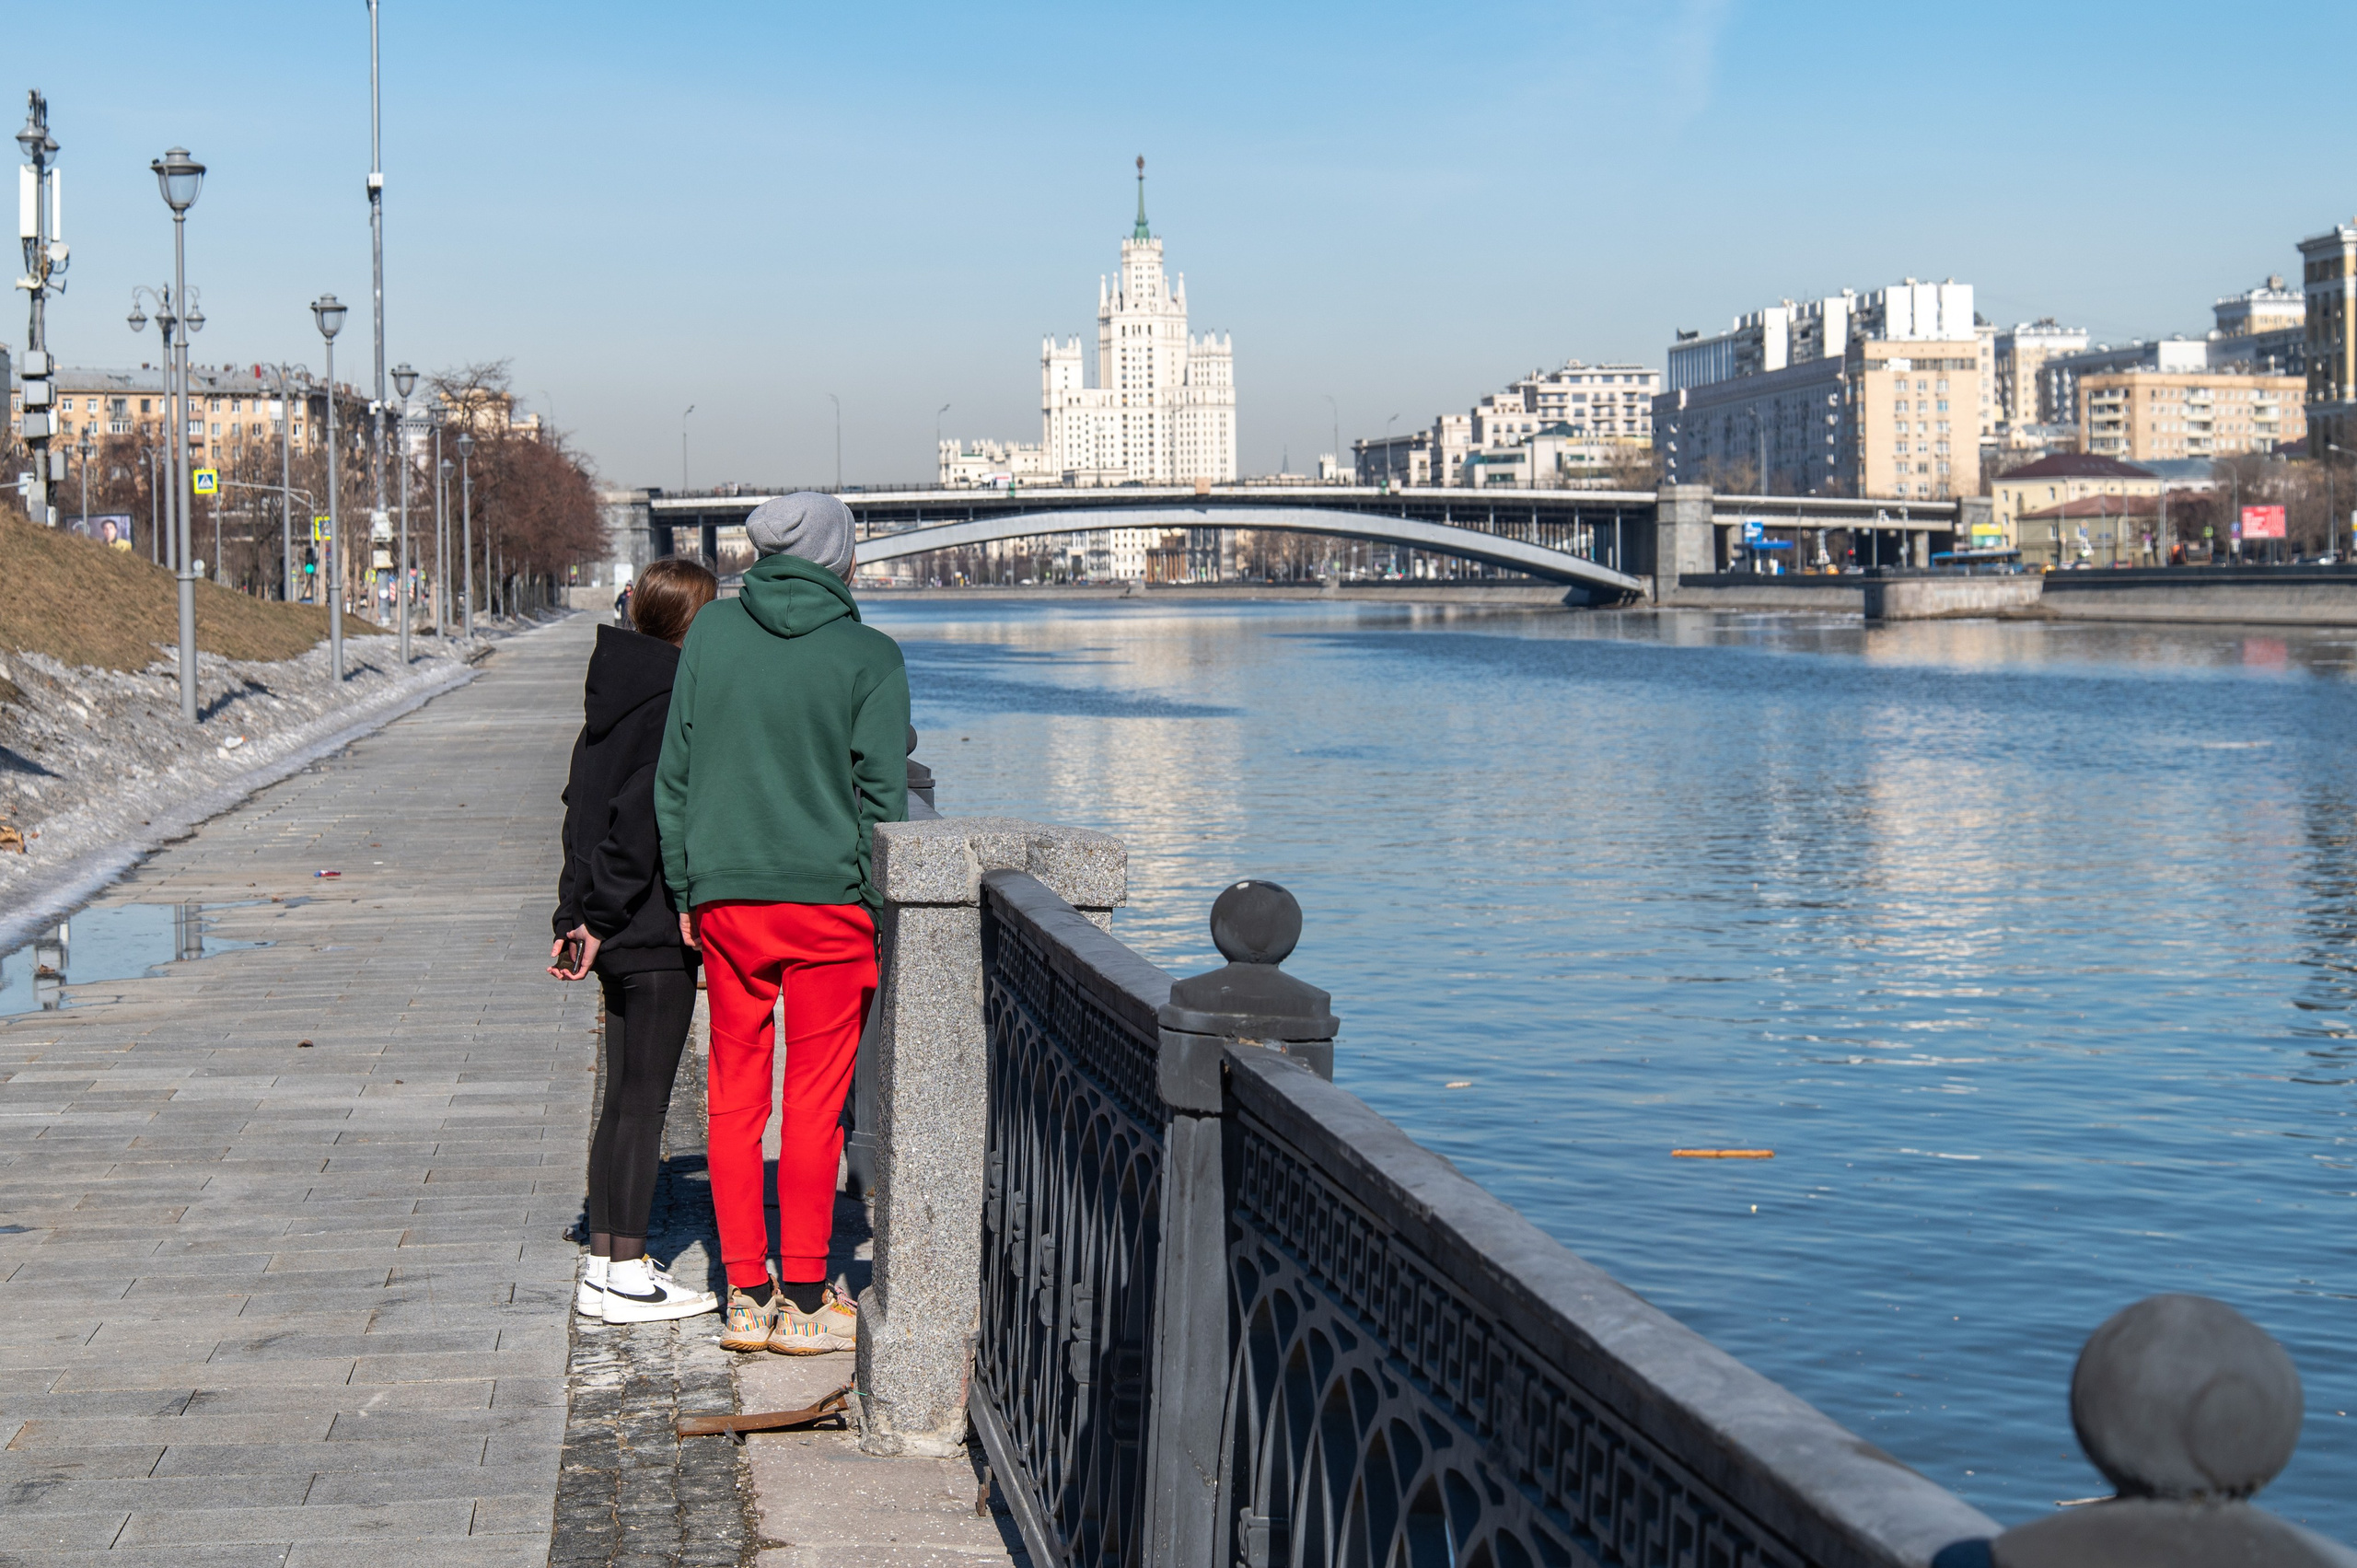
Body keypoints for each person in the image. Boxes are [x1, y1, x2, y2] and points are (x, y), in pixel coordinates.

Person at [654, 493, 908, 1355]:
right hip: (832, 905)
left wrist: (689, 888)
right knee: (813, 1105)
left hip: (728, 901)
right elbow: (884, 799)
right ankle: (805, 1295)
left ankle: (744, 1292)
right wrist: (877, 909)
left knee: (732, 1097)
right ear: (839, 556)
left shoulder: (714, 636)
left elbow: (675, 771)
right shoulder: (870, 655)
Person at [552, 555, 723, 1323]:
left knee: (622, 1099)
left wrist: (575, 918)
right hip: (649, 927)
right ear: (692, 623)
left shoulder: (612, 698)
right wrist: (609, 914)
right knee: (643, 1103)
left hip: (610, 926)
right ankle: (625, 1274)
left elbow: (578, 818)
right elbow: (636, 829)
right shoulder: (667, 706)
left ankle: (605, 1262)